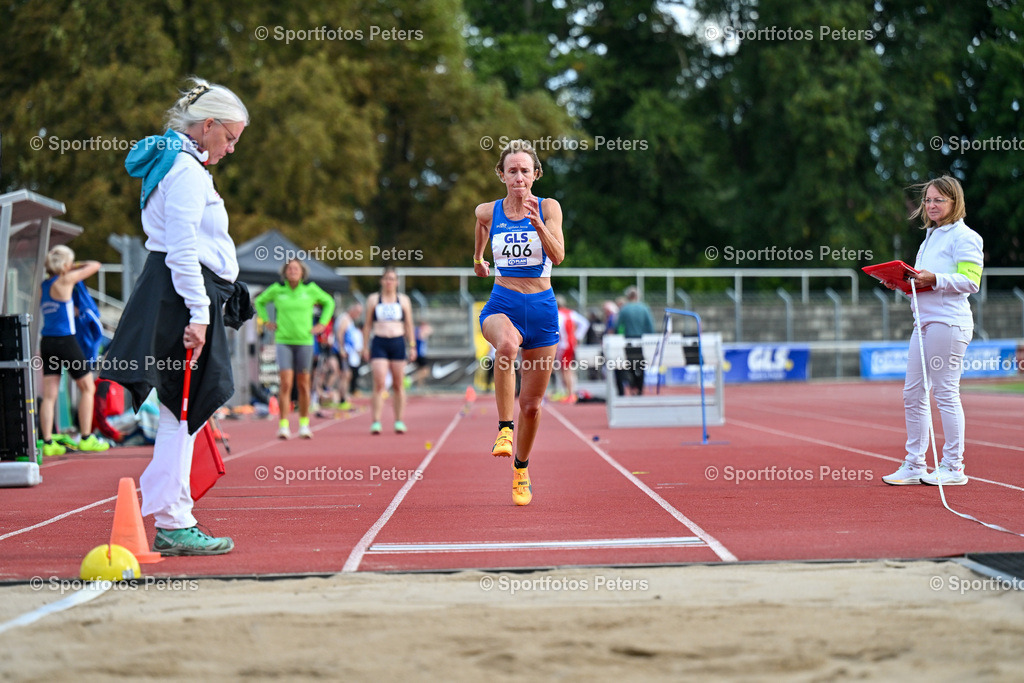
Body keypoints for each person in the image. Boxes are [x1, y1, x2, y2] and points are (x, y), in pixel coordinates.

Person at [103, 77, 253, 556]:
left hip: (176, 294)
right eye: (229, 136)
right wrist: (200, 312)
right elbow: (183, 249)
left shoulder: (175, 162)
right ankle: (173, 520)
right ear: (207, 125)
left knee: (180, 410)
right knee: (181, 411)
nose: (231, 147)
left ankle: (176, 515)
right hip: (182, 297)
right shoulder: (185, 171)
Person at [473, 139, 564, 506]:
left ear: (536, 174)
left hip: (542, 309)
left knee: (533, 405)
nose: (519, 177)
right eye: (512, 171)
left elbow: (559, 255)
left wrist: (538, 225)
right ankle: (504, 429)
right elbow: (481, 223)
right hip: (502, 304)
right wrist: (477, 259)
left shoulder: (549, 207)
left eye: (525, 171)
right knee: (507, 345)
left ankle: (521, 469)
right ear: (501, 175)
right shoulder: (488, 210)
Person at [883, 175, 983, 487]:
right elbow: (923, 284)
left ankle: (953, 466)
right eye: (928, 200)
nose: (931, 205)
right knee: (912, 393)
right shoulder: (929, 238)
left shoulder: (965, 237)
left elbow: (971, 282)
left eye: (939, 199)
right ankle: (914, 463)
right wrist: (901, 284)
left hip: (948, 323)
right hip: (923, 323)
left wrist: (934, 278)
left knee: (945, 392)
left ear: (955, 202)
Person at [38, 246, 110, 455]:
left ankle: (48, 442)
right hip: (65, 341)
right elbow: (95, 265)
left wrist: (62, 265)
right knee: (87, 388)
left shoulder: (44, 285)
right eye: (69, 262)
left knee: (49, 395)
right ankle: (86, 438)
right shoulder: (65, 280)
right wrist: (73, 266)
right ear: (65, 265)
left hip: (47, 342)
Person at [255, 258, 335, 439]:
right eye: (290, 268)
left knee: (304, 385)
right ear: (285, 272)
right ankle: (283, 425)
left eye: (296, 269)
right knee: (285, 383)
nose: (293, 271)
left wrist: (322, 324)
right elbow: (259, 301)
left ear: (302, 272)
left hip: (305, 342)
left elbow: (329, 302)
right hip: (283, 341)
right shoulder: (277, 290)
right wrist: (266, 321)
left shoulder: (310, 290)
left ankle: (304, 424)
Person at [361, 267, 416, 434]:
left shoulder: (403, 300)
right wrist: (365, 346)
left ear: (397, 282)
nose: (389, 282)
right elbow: (367, 325)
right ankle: (376, 421)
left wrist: (412, 346)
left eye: (392, 279)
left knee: (398, 384)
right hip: (379, 342)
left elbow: (409, 324)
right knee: (379, 383)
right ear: (381, 281)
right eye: (386, 278)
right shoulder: (373, 299)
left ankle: (399, 420)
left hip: (398, 342)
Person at [614, 285, 656, 396]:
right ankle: (639, 388)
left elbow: (618, 326)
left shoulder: (624, 309)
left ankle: (632, 386)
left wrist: (618, 337)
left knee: (629, 364)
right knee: (641, 365)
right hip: (641, 340)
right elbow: (650, 326)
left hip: (628, 340)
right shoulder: (644, 308)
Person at [554, 295, 589, 402]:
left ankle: (570, 394)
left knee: (565, 370)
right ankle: (568, 392)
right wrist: (577, 337)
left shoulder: (557, 314)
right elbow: (585, 323)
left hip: (563, 345)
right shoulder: (571, 313)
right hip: (570, 344)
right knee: (566, 369)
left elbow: (556, 330)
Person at [333, 302, 363, 410]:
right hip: (343, 351)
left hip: (347, 351)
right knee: (345, 375)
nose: (358, 315)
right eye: (358, 312)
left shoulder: (348, 319)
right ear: (352, 310)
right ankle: (342, 399)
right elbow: (340, 333)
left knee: (346, 375)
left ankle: (343, 398)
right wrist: (341, 348)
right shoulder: (345, 319)